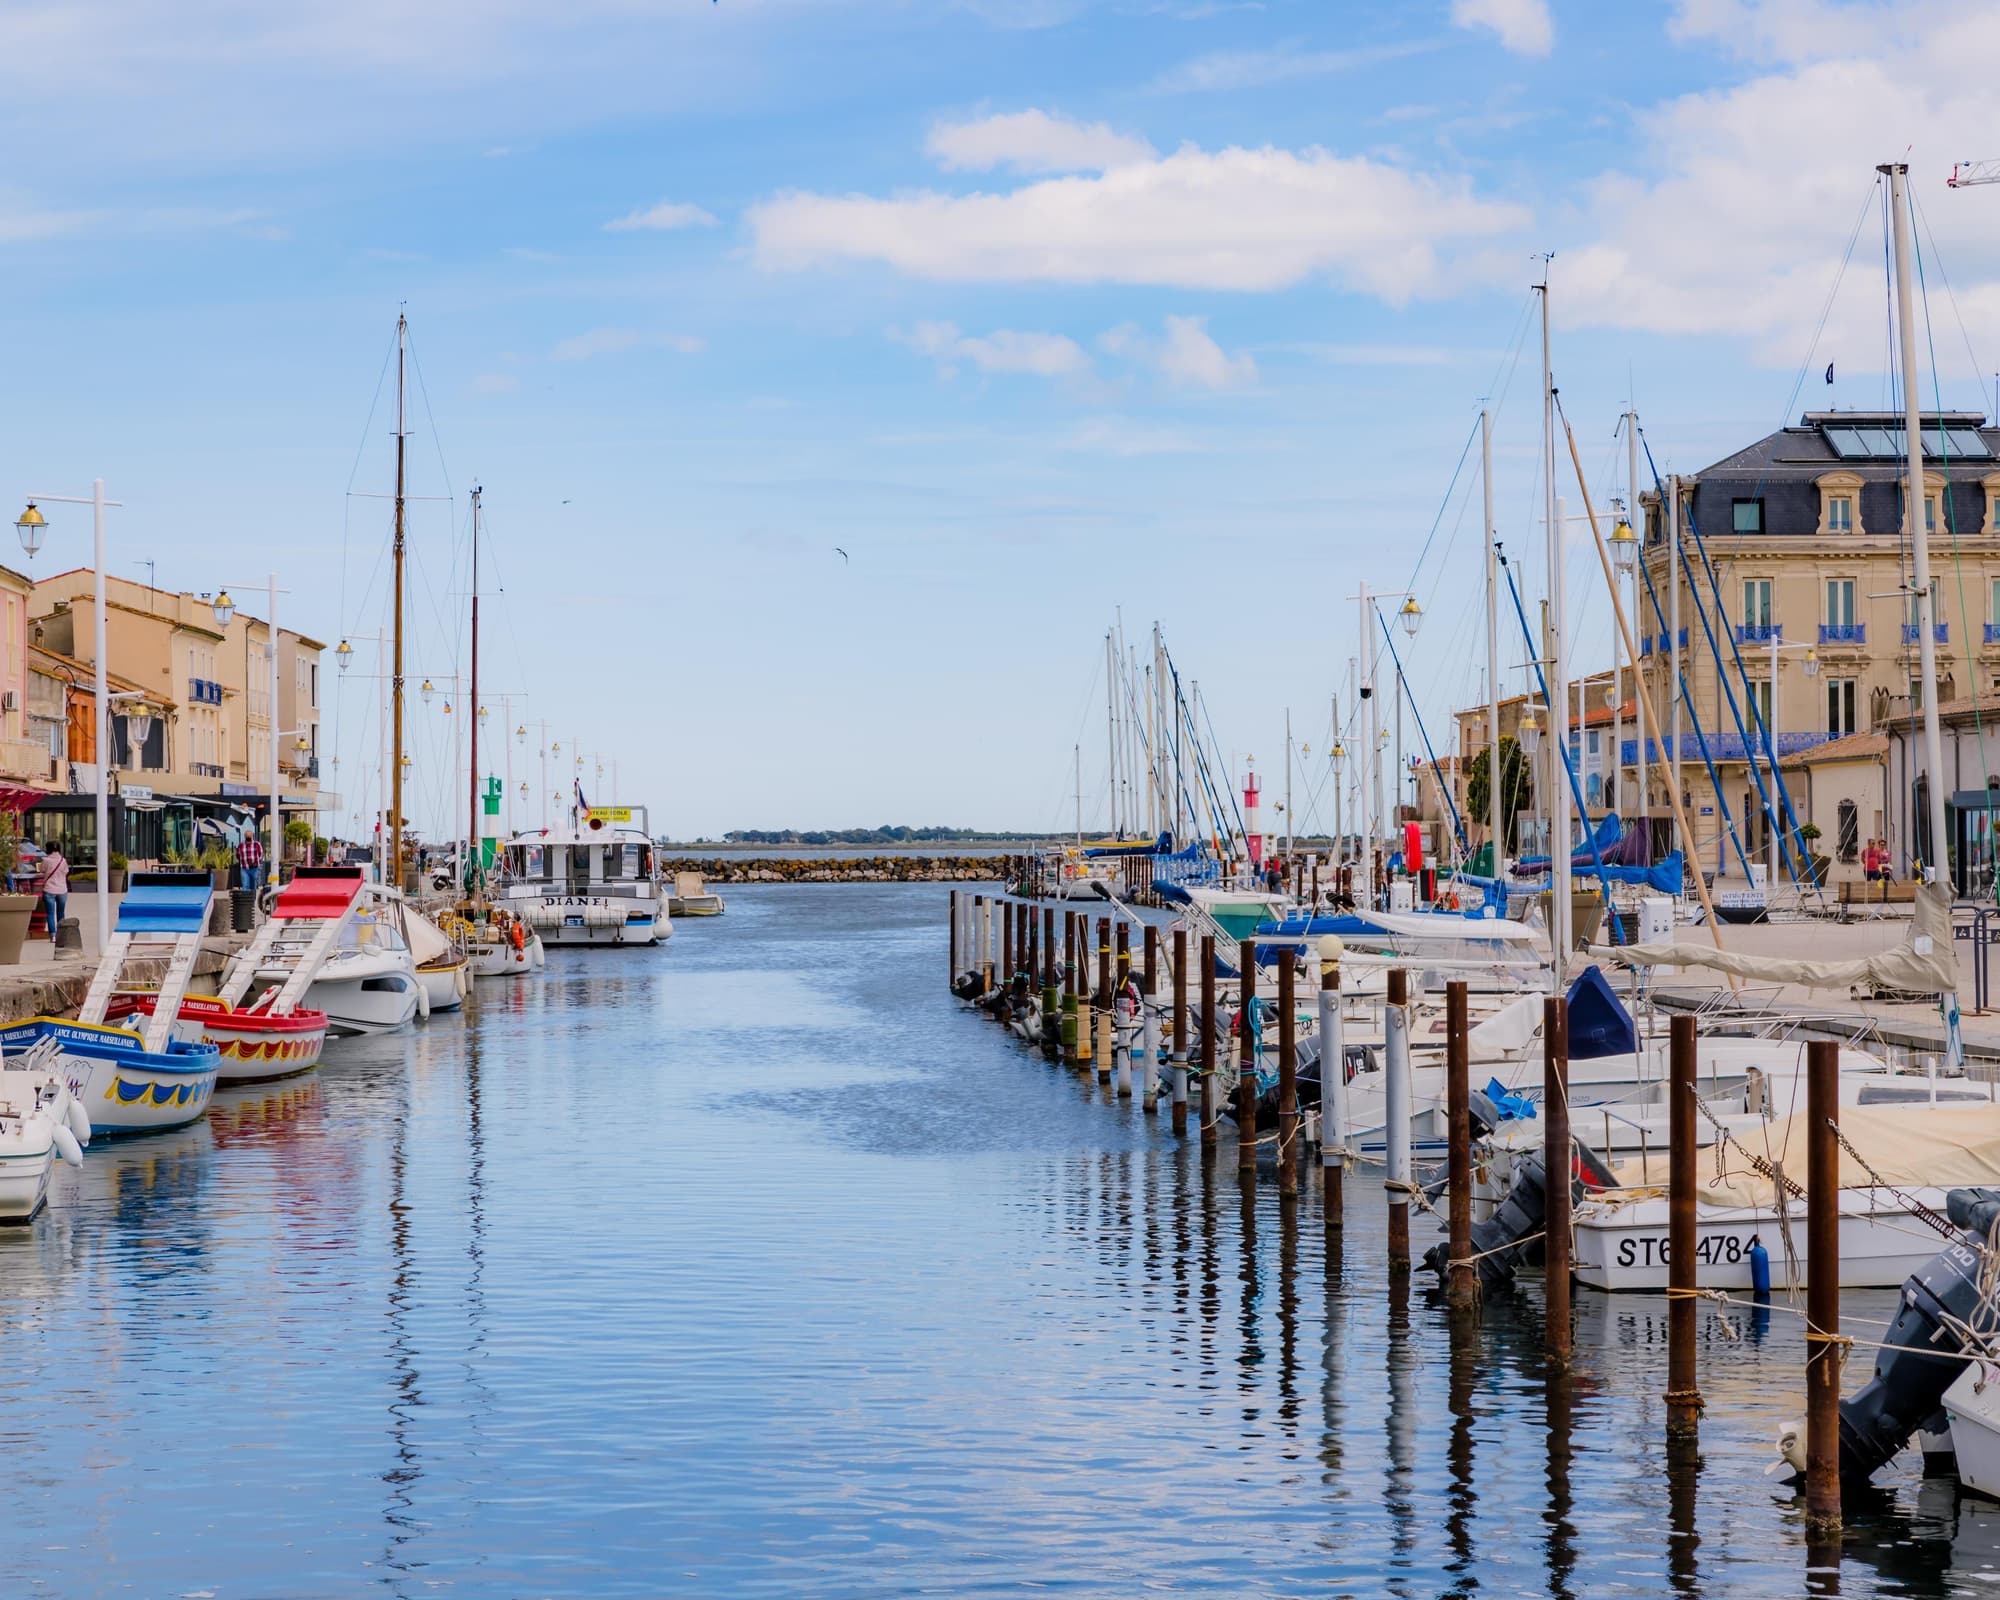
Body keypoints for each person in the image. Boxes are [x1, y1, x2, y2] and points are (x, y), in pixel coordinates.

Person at [37, 844, 68, 940]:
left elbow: (41, 870)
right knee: (61, 913)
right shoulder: (63, 860)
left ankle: (53, 936)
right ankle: (61, 935)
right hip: (62, 890)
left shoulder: (46, 860)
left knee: (50, 913)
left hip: (49, 889)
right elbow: (66, 872)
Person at [236, 827, 266, 896]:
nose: (248, 838)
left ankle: (252, 899)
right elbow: (238, 855)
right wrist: (243, 861)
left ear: (252, 836)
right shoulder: (241, 845)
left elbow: (261, 854)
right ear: (245, 836)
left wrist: (256, 862)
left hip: (254, 868)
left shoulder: (257, 844)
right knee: (245, 885)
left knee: (253, 885)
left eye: (249, 836)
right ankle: (246, 899)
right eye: (247, 836)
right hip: (244, 868)